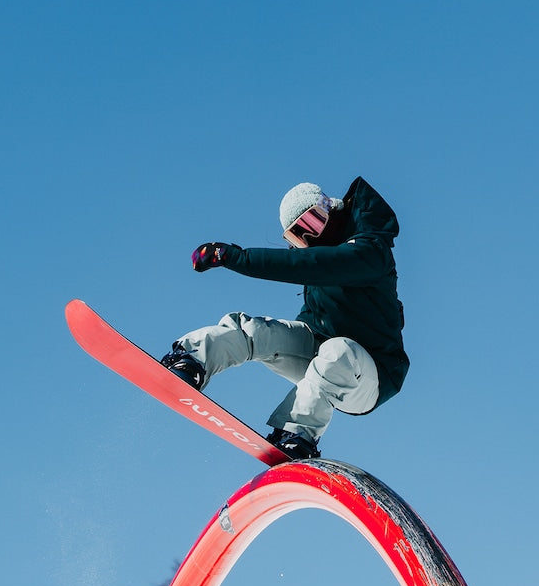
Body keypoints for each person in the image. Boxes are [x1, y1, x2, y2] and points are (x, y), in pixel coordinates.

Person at [161, 177, 409, 460]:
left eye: (313, 222)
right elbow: (311, 310)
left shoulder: (369, 252)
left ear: (331, 208)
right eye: (298, 235)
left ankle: (297, 434)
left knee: (338, 350)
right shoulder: (318, 258)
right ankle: (191, 360)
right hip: (319, 357)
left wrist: (235, 257)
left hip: (369, 377)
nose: (310, 238)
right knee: (257, 331)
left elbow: (314, 264)